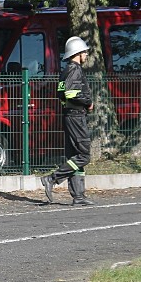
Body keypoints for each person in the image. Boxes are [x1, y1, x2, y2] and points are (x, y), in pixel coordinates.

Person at [41, 36, 94, 206]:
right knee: (84, 155)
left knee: (74, 156)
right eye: (85, 52)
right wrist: (88, 102)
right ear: (78, 53)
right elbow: (72, 93)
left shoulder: (65, 71)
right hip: (76, 116)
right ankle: (52, 178)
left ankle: (78, 196)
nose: (86, 55)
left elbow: (62, 95)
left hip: (69, 115)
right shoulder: (75, 70)